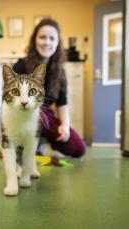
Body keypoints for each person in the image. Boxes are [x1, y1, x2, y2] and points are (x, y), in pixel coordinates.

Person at [13, 18, 86, 158]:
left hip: (47, 119)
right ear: (35, 40)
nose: (47, 42)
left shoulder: (59, 71)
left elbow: (62, 103)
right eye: (42, 37)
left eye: (52, 38)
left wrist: (64, 126)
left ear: (58, 42)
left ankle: (42, 139)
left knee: (79, 148)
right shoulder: (21, 66)